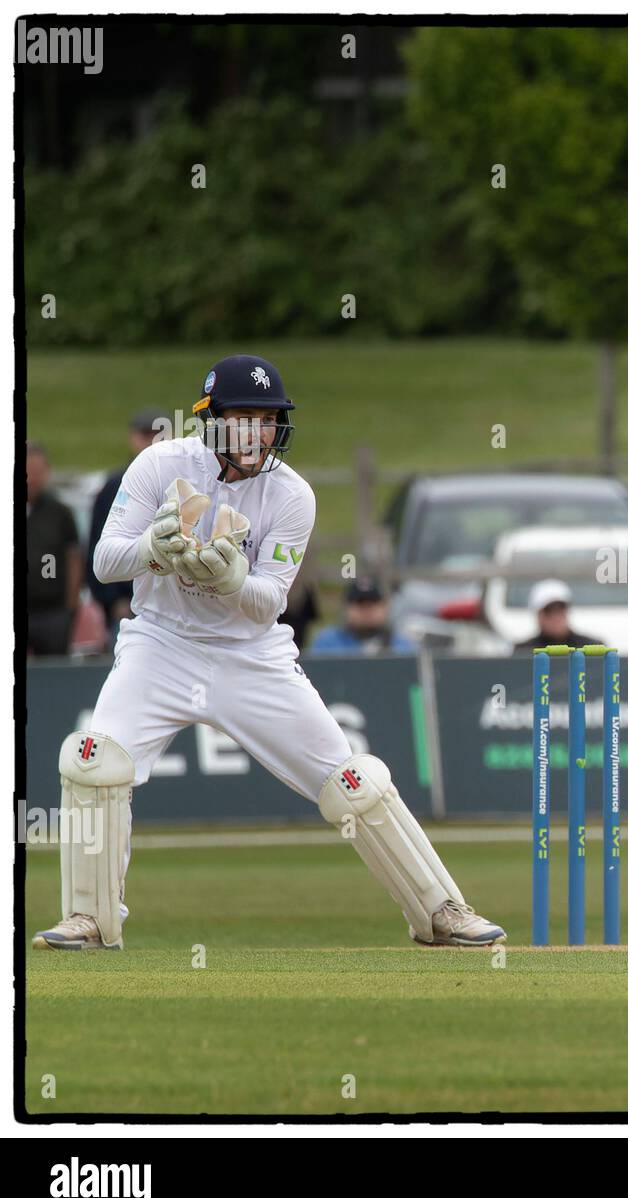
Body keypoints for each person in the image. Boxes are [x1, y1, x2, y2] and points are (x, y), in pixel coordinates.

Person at [33, 354, 504, 952]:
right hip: (160, 643)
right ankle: (91, 919)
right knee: (94, 762)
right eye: (242, 417)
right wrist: (153, 546)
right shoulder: (159, 463)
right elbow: (105, 562)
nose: (255, 432)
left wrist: (232, 580)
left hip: (251, 655)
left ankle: (441, 911)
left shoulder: (292, 496)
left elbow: (269, 603)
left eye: (267, 418)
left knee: (352, 780)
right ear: (211, 420)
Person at [88, 409, 167, 643]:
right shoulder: (114, 484)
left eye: (159, 434)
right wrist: (112, 600)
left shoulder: (182, 480)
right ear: (133, 437)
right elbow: (99, 544)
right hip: (125, 602)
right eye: (146, 434)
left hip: (169, 602)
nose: (152, 441)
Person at [26, 441, 83, 656]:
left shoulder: (61, 513)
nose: (31, 478)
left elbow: (74, 559)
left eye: (37, 472)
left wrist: (70, 607)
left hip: (52, 613)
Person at [310, 577, 415, 655]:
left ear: (385, 607)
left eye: (373, 603)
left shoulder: (402, 645)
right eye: (360, 604)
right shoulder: (327, 644)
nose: (367, 610)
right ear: (346, 608)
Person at [514, 579, 600, 652]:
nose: (556, 617)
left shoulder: (592, 649)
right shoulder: (522, 651)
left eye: (561, 609)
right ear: (538, 616)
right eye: (549, 611)